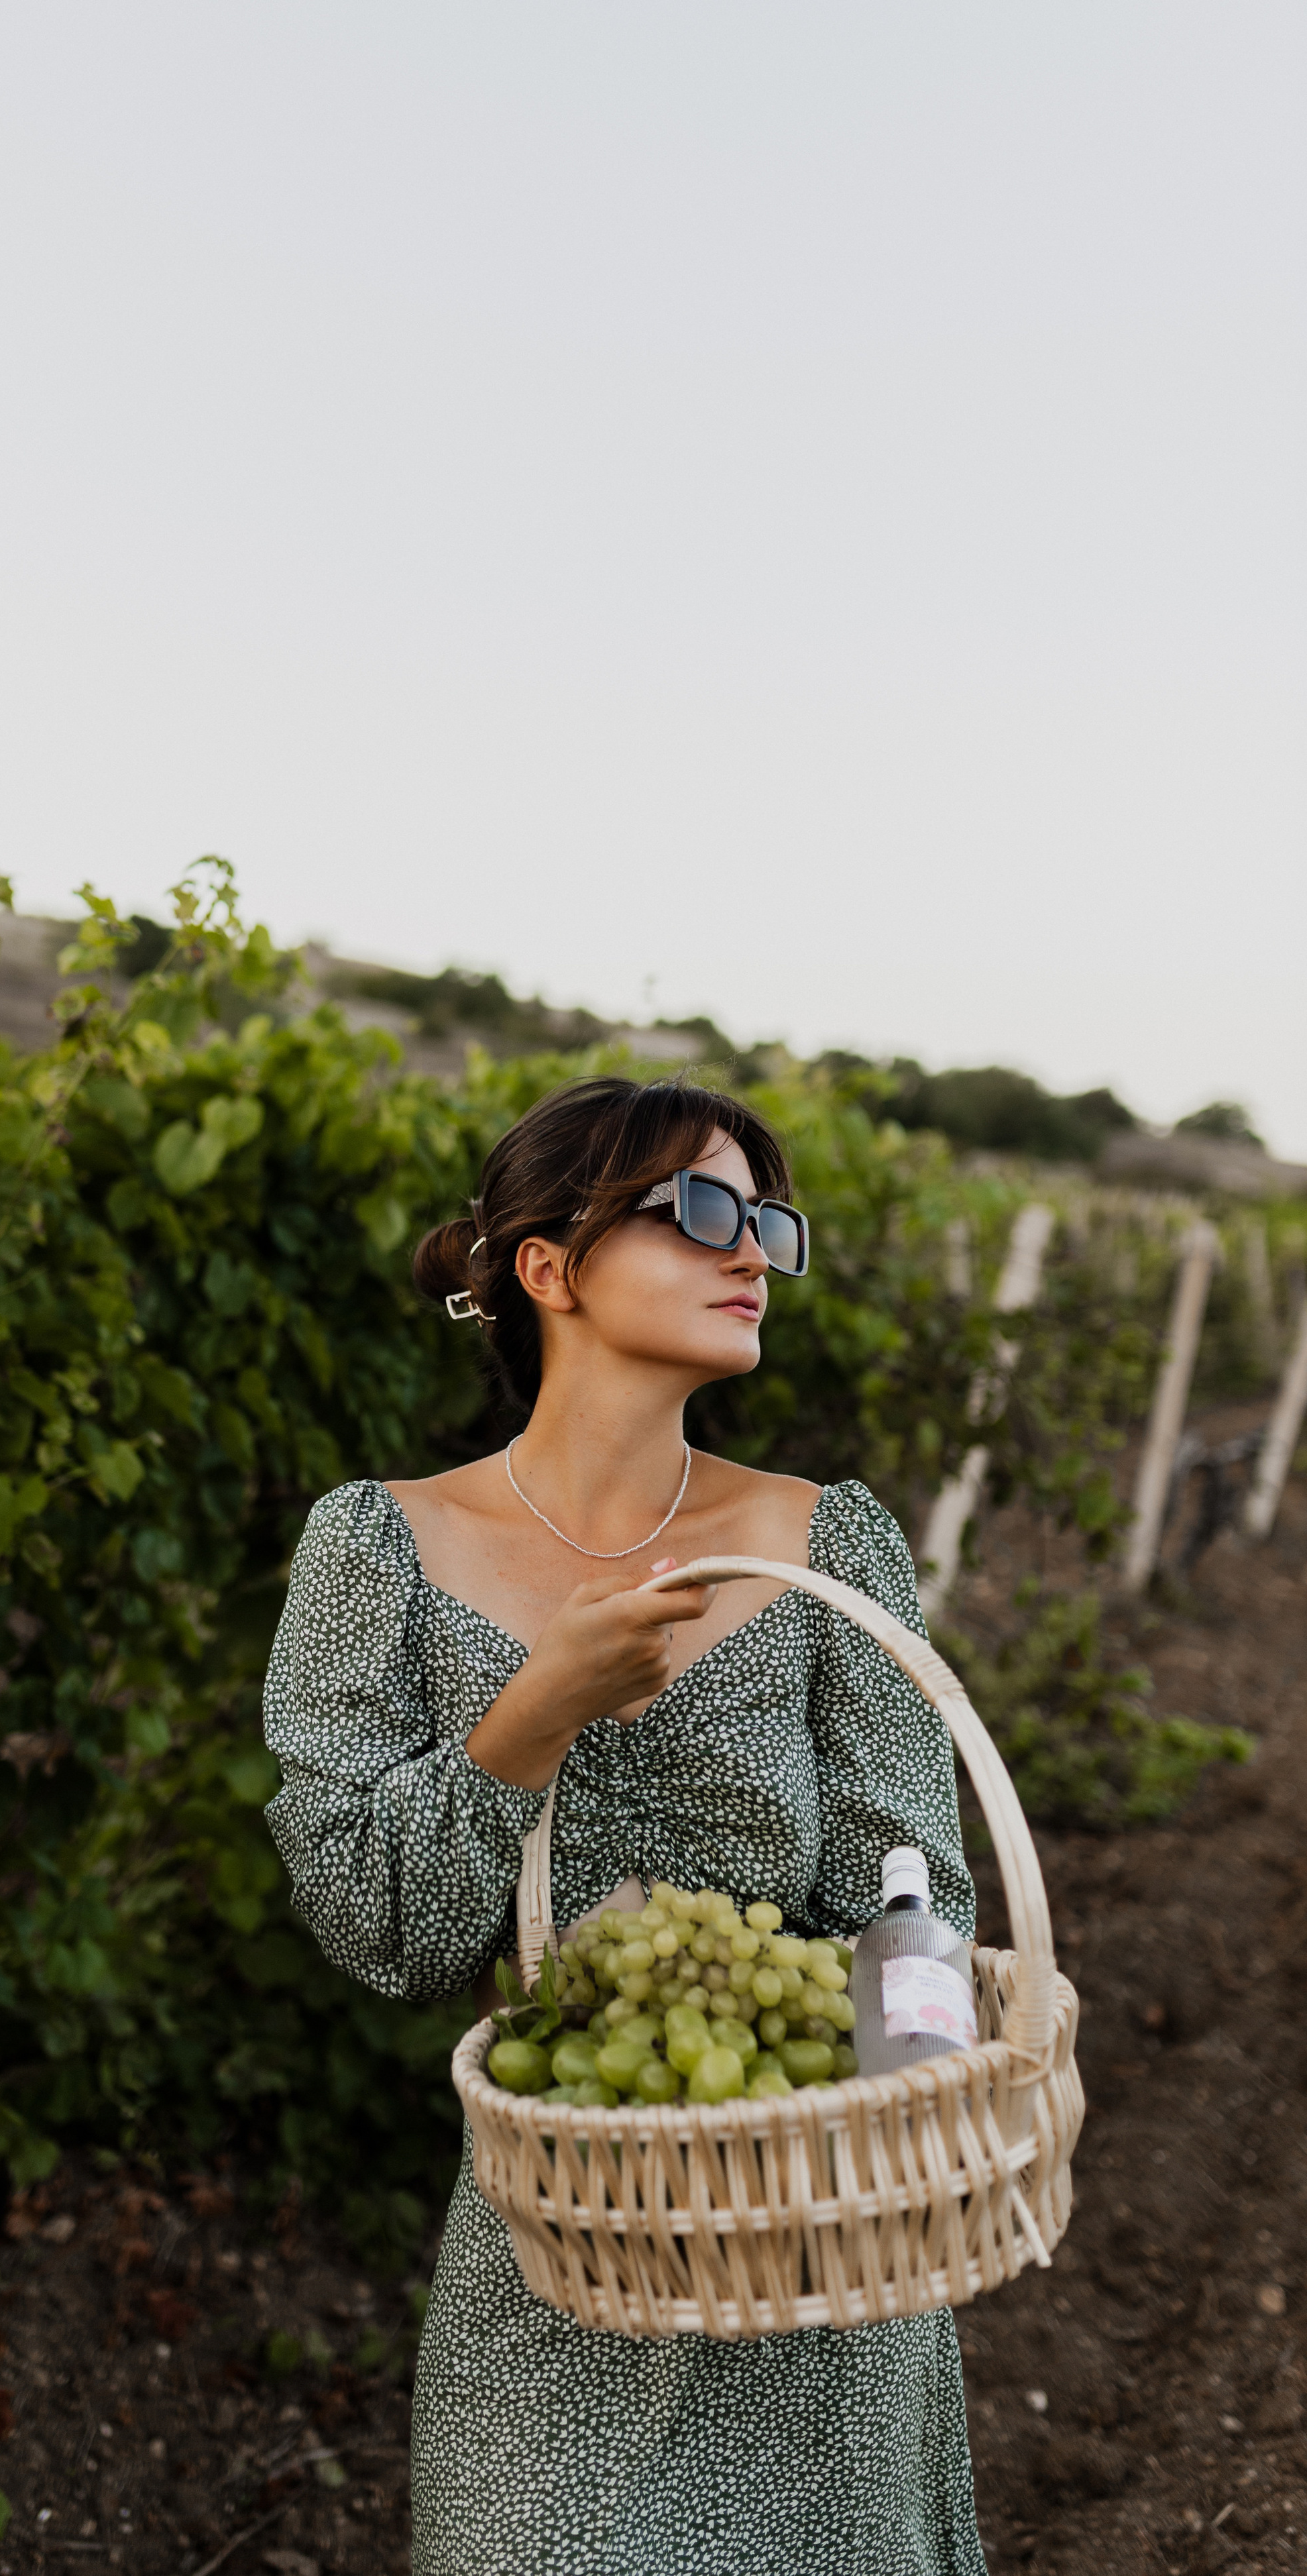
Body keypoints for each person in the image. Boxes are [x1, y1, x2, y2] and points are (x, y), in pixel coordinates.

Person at [263, 1075, 983, 2576]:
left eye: (768, 1223)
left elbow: (913, 1884)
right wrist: (538, 1711)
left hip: (819, 2259)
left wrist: (887, 2126)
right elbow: (370, 1929)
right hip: (558, 2258)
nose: (753, 1256)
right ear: (549, 1266)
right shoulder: (375, 1546)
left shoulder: (824, 1542)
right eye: (705, 1211)